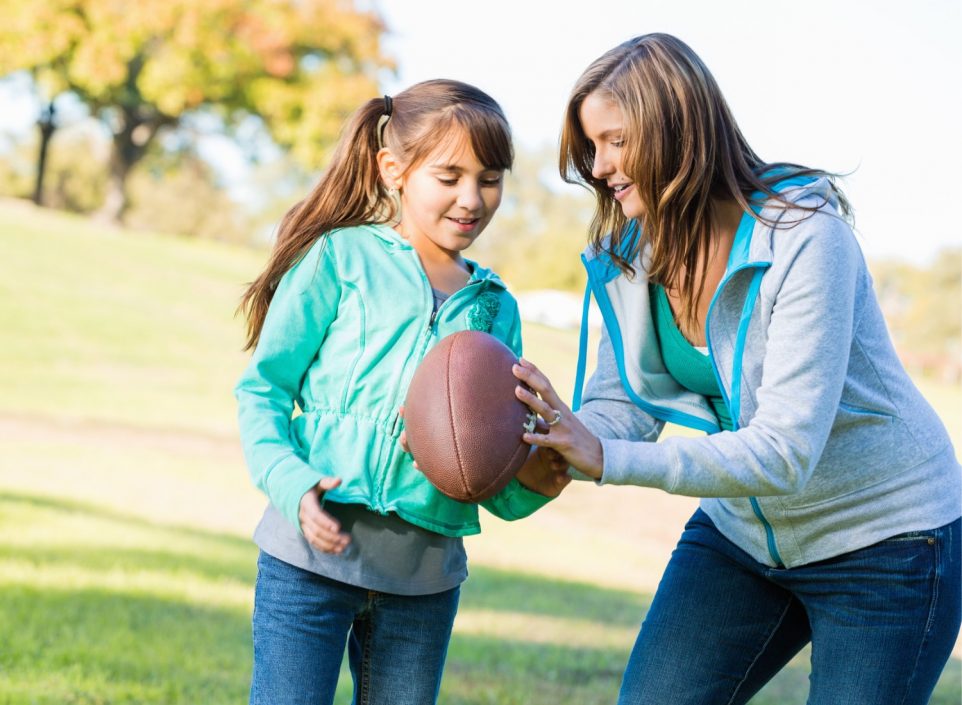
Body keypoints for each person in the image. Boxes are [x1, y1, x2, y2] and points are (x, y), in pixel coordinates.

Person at [512, 33, 961, 705]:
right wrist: (544, 435)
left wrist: (606, 456)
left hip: (886, 540)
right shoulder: (627, 256)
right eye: (592, 146)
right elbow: (620, 407)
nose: (599, 166)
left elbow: (784, 452)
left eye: (615, 141)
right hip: (743, 536)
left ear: (677, 126)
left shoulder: (805, 239)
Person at [235, 79, 567, 705]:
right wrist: (292, 484)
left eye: (490, 178)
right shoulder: (341, 259)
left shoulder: (496, 309)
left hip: (424, 586)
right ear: (395, 169)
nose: (472, 198)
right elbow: (264, 392)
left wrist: (541, 480)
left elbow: (488, 468)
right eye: (449, 176)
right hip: (306, 563)